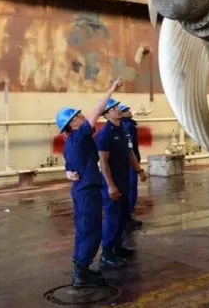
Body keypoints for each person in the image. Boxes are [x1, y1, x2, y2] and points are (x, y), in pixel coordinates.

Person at [56, 77, 123, 288]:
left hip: (80, 188)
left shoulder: (71, 143)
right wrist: (111, 89)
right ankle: (81, 273)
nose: (81, 116)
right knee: (91, 229)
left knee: (84, 228)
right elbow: (96, 113)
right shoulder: (80, 135)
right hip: (87, 191)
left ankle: (81, 267)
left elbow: (71, 165)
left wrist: (69, 173)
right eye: (77, 116)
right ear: (72, 124)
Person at [95, 98, 148, 268]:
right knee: (112, 218)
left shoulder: (123, 129)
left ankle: (117, 248)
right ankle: (107, 254)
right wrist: (110, 185)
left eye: (118, 107)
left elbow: (130, 152)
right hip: (113, 183)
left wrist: (139, 170)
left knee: (121, 217)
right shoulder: (105, 134)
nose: (118, 110)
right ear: (106, 114)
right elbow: (103, 162)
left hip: (124, 180)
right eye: (114, 108)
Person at [119, 103, 143, 231]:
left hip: (129, 161)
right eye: (125, 110)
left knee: (129, 187)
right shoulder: (127, 126)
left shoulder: (128, 124)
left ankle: (126, 215)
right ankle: (127, 216)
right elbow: (130, 149)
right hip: (129, 162)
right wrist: (138, 166)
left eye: (128, 109)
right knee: (131, 186)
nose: (128, 111)